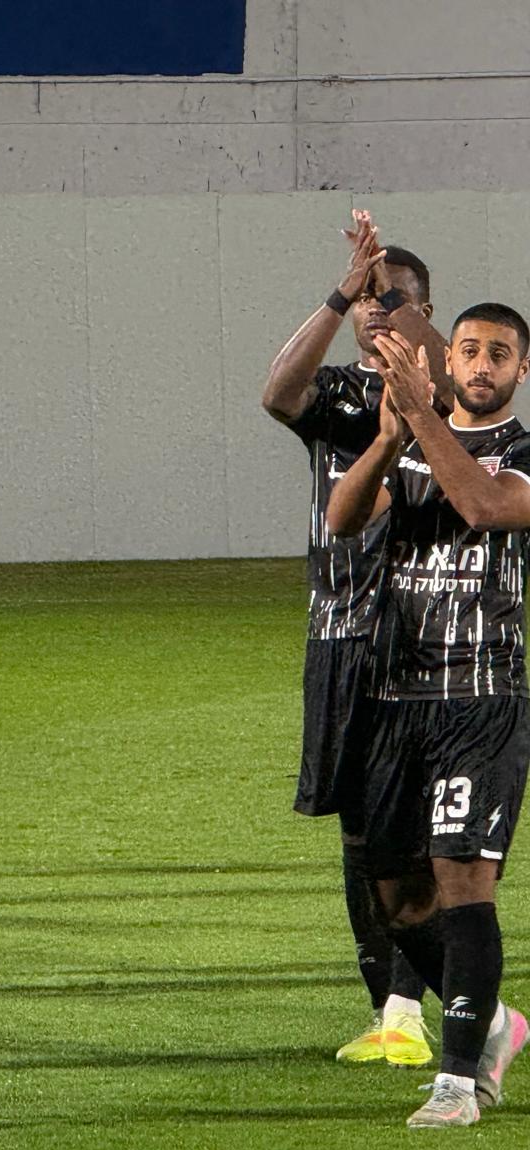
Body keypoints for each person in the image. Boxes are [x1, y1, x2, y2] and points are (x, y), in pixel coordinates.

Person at [326, 307, 530, 1127]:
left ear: (521, 371)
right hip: (395, 699)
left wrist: (418, 414)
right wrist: (387, 437)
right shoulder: (409, 438)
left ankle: (457, 1083)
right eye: (469, 350)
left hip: (481, 699)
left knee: (462, 877)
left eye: (499, 355)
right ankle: (494, 1023)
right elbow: (343, 520)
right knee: (395, 897)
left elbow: (481, 506)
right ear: (449, 359)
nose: (481, 365)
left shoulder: (521, 456)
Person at [260, 210, 447, 1066]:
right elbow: (277, 394)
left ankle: (417, 1007)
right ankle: (387, 1010)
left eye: (391, 297)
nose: (377, 309)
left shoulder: (448, 394)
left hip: (420, 642)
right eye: (370, 299)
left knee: (415, 836)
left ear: (423, 310)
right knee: (359, 835)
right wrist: (343, 294)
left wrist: (400, 313)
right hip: (337, 638)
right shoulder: (339, 393)